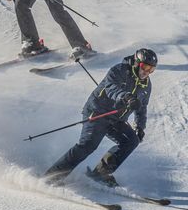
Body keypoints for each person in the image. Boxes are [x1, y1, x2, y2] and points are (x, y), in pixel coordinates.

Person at [43, 48, 157, 187]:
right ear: (137, 63)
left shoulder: (146, 85)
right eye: (145, 66)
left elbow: (142, 107)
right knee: (88, 145)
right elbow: (111, 88)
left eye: (151, 69)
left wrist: (140, 127)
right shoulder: (120, 70)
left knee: (131, 141)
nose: (147, 72)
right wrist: (126, 97)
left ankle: (100, 173)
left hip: (117, 119)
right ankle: (52, 177)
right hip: (98, 112)